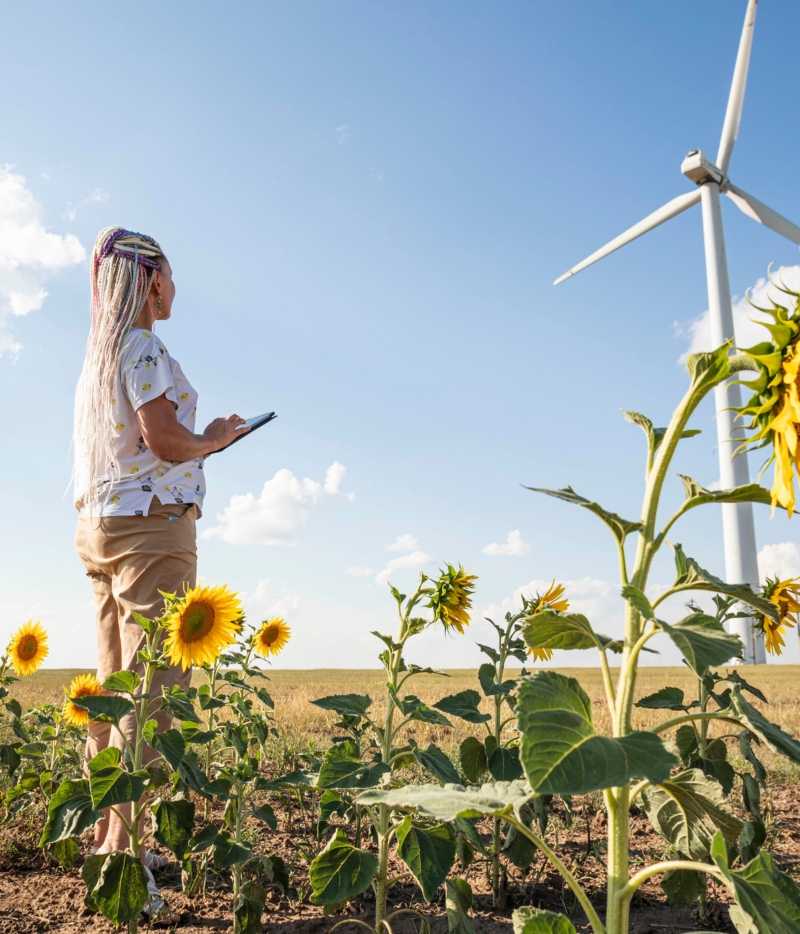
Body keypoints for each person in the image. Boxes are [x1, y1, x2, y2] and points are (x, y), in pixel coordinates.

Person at [73, 227, 248, 925]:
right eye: (171, 277)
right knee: (152, 699)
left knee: (114, 690)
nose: (175, 291)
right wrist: (217, 439)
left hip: (101, 528)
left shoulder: (100, 356)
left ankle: (103, 842)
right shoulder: (144, 346)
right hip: (152, 530)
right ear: (150, 282)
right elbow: (163, 439)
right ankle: (124, 859)